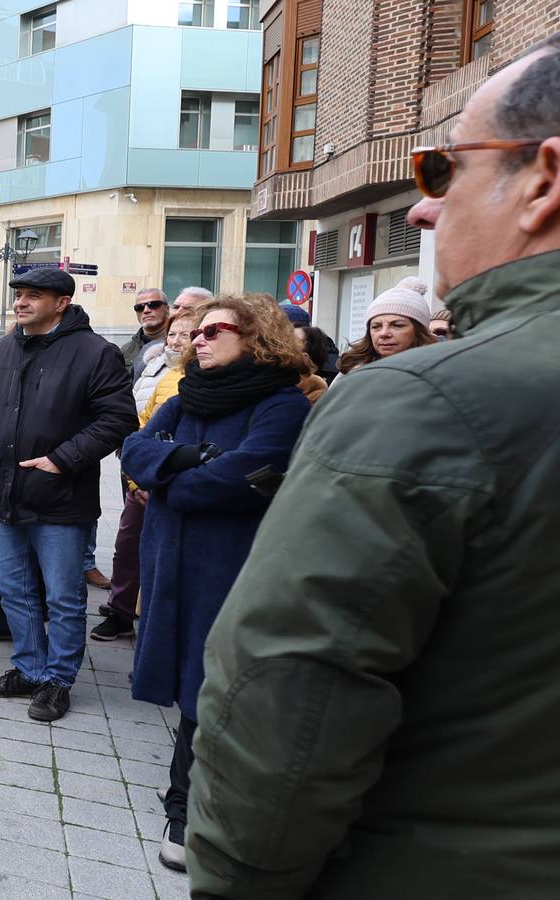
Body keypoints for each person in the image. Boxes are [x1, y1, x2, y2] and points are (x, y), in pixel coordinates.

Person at [187, 36, 560, 897]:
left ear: (542, 180)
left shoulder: (423, 404)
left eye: (442, 172)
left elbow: (291, 695)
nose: (424, 212)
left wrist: (237, 879)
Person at [120, 294, 310, 870]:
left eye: (213, 330)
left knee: (216, 684)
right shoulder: (185, 396)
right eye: (195, 332)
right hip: (170, 558)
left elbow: (245, 478)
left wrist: (172, 476)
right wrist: (191, 459)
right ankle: (190, 797)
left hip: (230, 564)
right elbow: (133, 450)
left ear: (255, 337)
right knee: (186, 679)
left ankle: (188, 810)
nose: (197, 339)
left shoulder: (282, 404)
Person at [0, 268, 137, 722]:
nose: (21, 303)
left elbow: (118, 419)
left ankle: (58, 681)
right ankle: (28, 668)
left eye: (33, 296)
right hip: (5, 494)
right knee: (14, 590)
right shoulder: (1, 352)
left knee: (63, 597)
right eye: (19, 295)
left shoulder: (95, 353)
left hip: (62, 500)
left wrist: (62, 459)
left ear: (61, 302)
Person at [92, 305, 199, 642]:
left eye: (187, 334)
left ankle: (156, 625)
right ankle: (121, 610)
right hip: (141, 482)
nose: (178, 340)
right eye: (174, 334)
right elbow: (143, 427)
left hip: (180, 487)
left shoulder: (197, 379)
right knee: (128, 546)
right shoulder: (163, 374)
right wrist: (139, 479)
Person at [335, 277, 436, 375]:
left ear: (420, 330)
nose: (384, 333)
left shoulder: (438, 372)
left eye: (397, 325)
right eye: (376, 327)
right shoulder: (351, 371)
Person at [119, 288, 170, 380]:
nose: (146, 310)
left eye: (154, 305)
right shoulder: (126, 350)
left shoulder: (178, 344)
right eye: (139, 308)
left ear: (167, 309)